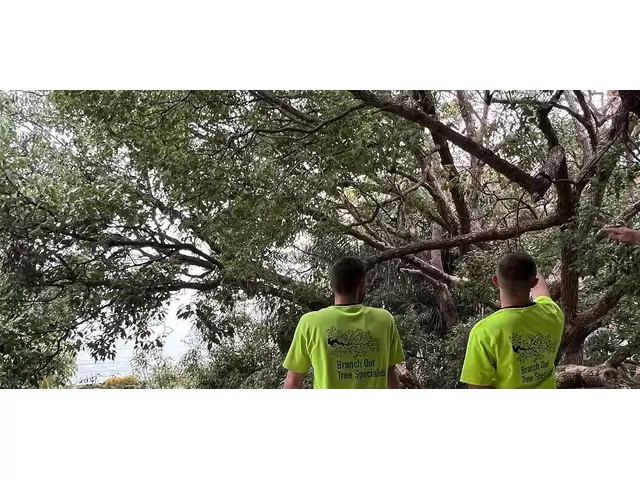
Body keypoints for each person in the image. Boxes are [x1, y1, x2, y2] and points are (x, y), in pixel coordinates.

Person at [283, 257, 405, 389]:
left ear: (331, 286)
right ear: (361, 285)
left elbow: (293, 383)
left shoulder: (310, 323)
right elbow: (390, 375)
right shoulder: (385, 320)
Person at [460, 252, 564, 389]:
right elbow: (541, 289)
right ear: (534, 282)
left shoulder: (484, 331)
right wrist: (525, 266)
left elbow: (477, 388)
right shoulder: (552, 313)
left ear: (495, 280)